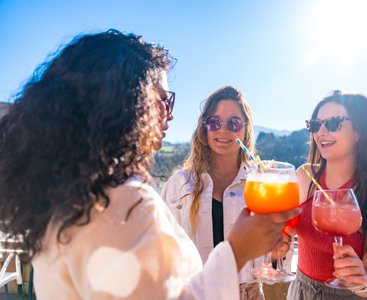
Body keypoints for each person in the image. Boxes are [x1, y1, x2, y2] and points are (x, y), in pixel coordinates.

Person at [0, 30, 299, 300]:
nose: (169, 114)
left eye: (234, 122)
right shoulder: (124, 205)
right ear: (131, 102)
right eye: (164, 100)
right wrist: (236, 251)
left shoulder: (71, 193)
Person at [161, 86, 294, 299]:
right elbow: (164, 254)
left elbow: (272, 267)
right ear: (204, 128)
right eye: (214, 122)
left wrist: (278, 252)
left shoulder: (260, 185)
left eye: (234, 123)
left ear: (245, 129)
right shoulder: (178, 185)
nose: (223, 130)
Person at [287, 90, 367, 299]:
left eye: (332, 123)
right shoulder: (304, 177)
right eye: (315, 124)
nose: (320, 132)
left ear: (359, 132)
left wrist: (363, 281)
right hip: (302, 292)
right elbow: (286, 228)